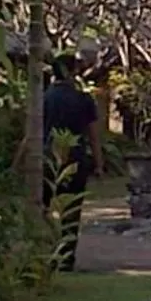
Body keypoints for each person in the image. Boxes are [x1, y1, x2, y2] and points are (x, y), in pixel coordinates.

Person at [42, 55, 103, 273]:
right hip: (76, 157)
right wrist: (99, 163)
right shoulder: (84, 100)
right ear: (72, 71)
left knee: (44, 207)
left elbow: (31, 133)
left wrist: (20, 161)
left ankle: (44, 254)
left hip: (47, 157)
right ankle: (66, 258)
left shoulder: (45, 98)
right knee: (72, 210)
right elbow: (94, 135)